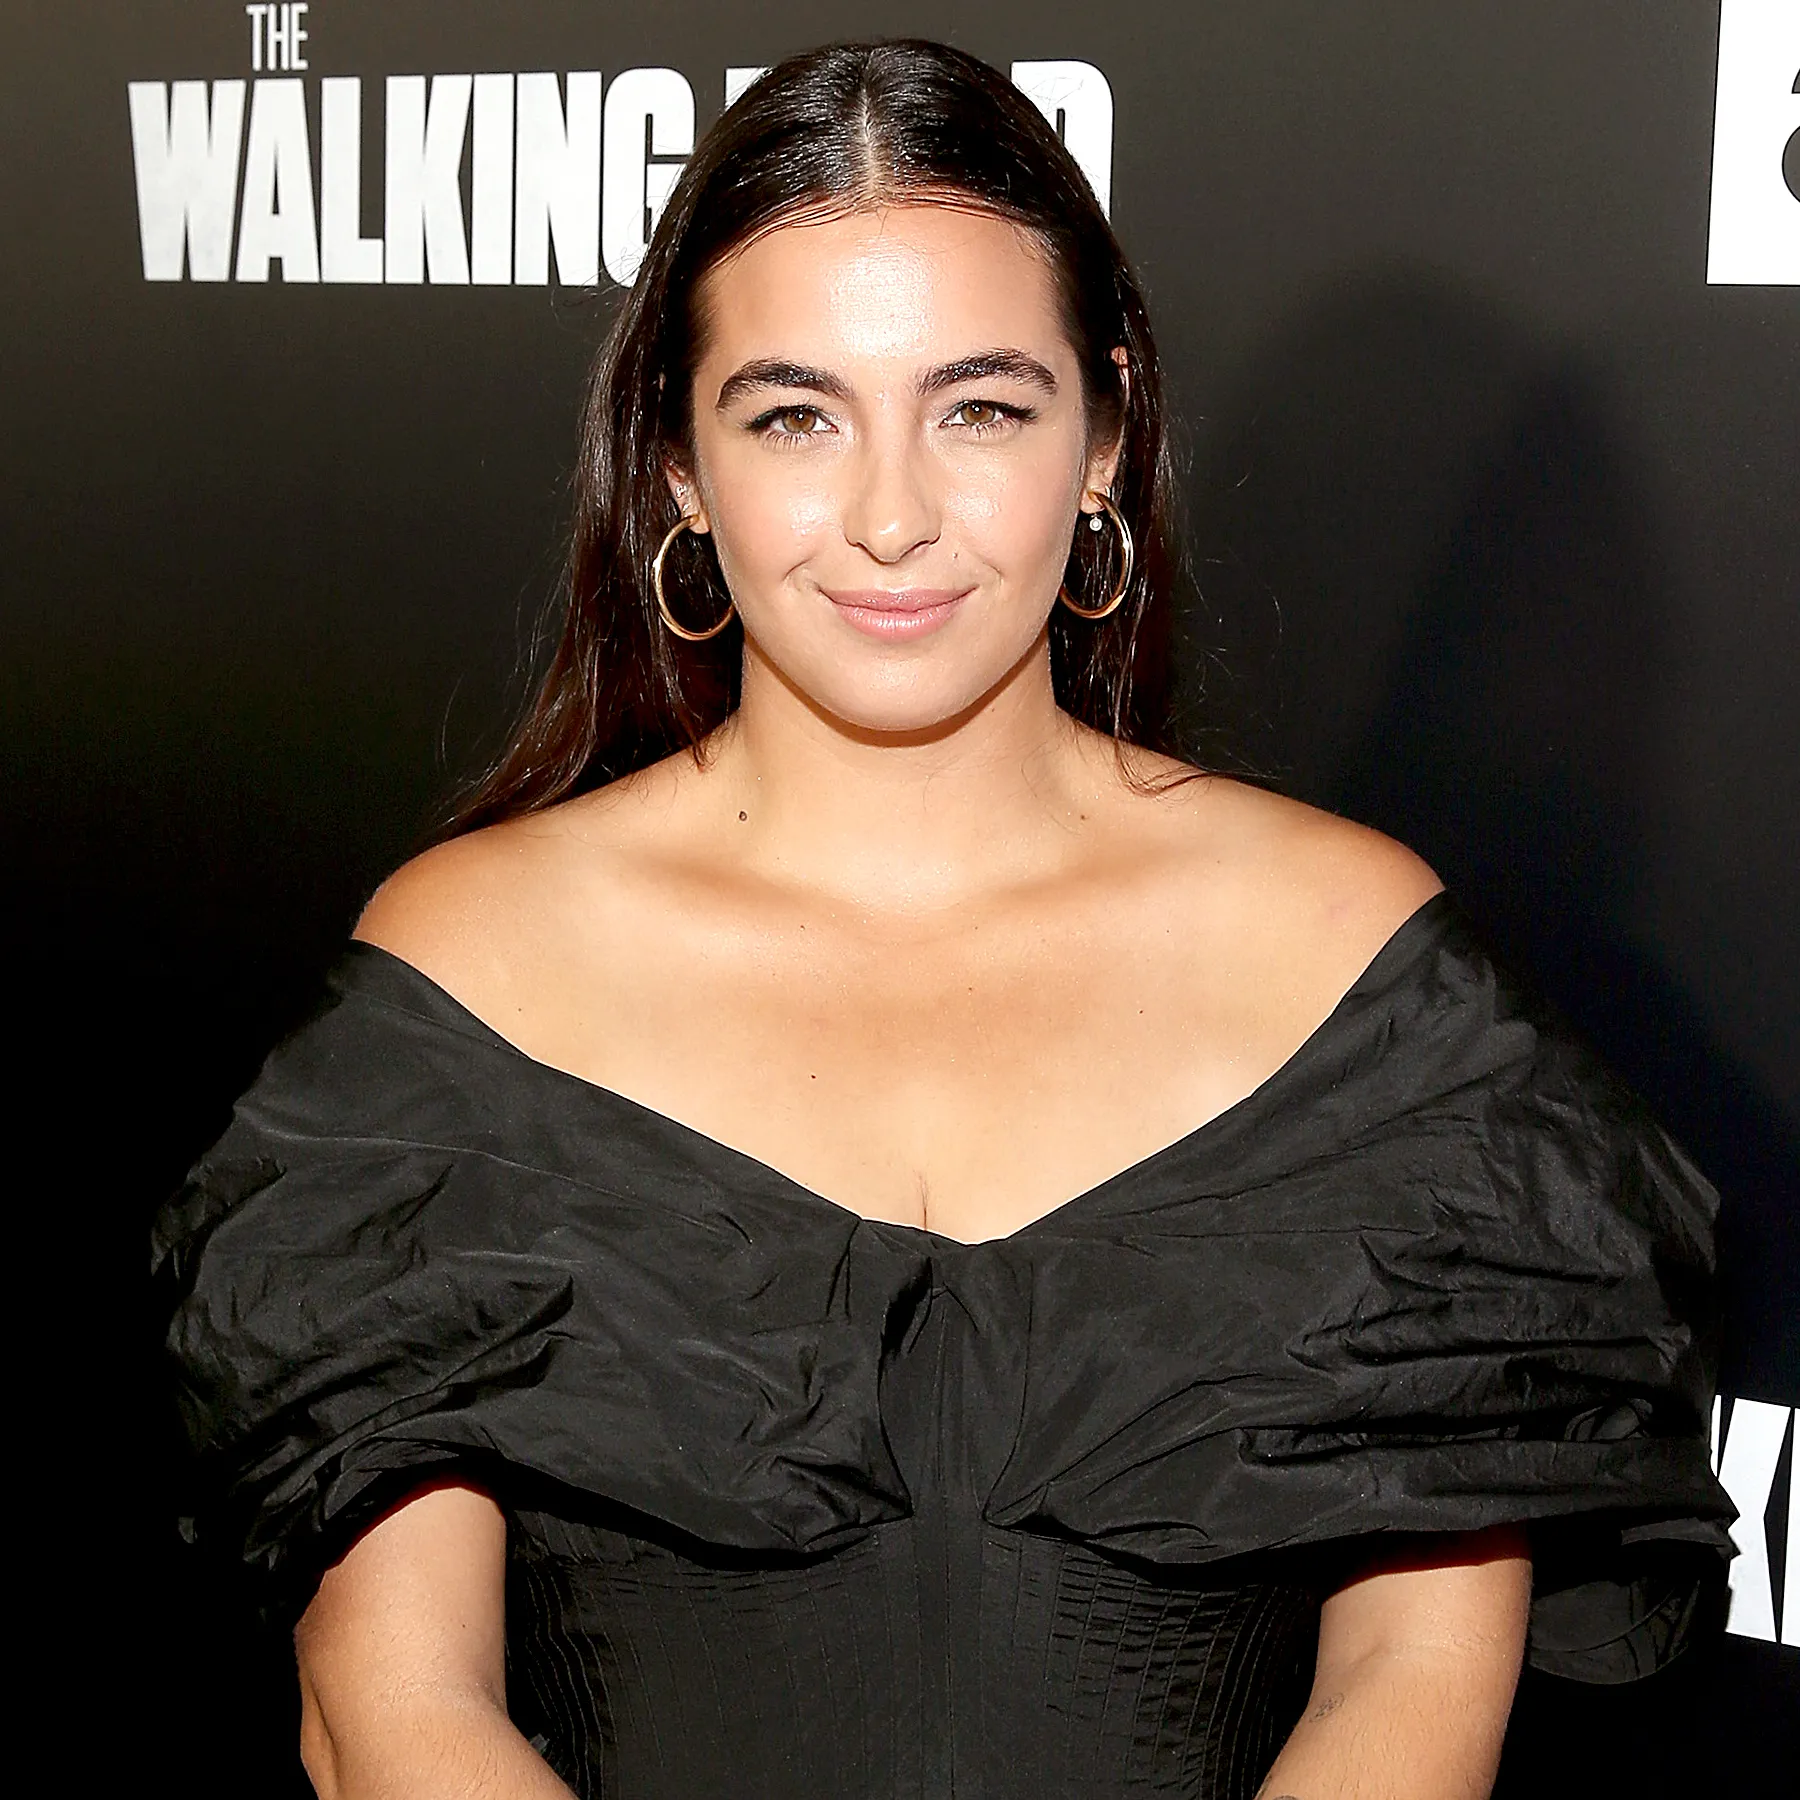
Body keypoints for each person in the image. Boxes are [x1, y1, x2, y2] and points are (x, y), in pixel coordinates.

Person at [152, 39, 1733, 1800]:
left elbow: (1415, 1690)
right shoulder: (474, 974)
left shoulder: (1355, 976)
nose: (891, 517)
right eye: (794, 415)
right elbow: (391, 1711)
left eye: (978, 407)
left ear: (1104, 438)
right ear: (677, 462)